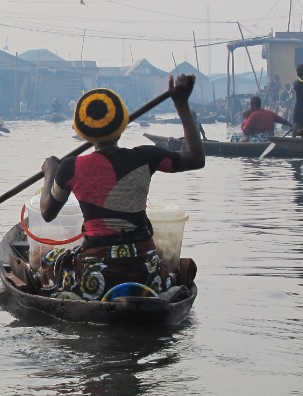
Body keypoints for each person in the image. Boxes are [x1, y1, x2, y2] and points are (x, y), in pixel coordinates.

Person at [36, 75, 204, 301]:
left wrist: (50, 173)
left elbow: (47, 212)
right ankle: (163, 290)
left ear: (82, 132)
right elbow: (196, 157)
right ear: (123, 124)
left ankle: (78, 295)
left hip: (94, 273)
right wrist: (181, 104)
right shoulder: (146, 157)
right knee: (164, 262)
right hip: (145, 270)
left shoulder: (70, 167)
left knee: (48, 259)